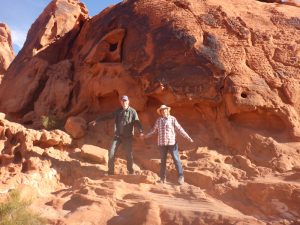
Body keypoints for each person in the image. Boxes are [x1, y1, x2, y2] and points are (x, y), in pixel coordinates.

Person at [89, 95, 143, 175]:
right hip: (117, 136)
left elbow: (137, 122)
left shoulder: (132, 111)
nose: (124, 102)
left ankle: (131, 172)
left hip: (127, 137)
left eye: (125, 101)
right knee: (111, 153)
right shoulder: (118, 111)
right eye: (123, 101)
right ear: (121, 102)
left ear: (128, 102)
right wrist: (97, 120)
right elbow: (108, 116)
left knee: (129, 155)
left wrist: (141, 131)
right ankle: (110, 172)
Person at [143, 105, 193, 185]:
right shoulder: (158, 120)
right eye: (162, 111)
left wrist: (188, 137)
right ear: (161, 112)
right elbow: (154, 131)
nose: (164, 112)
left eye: (165, 110)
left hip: (172, 143)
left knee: (176, 160)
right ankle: (162, 179)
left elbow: (179, 129)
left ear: (167, 111)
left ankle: (181, 177)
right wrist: (146, 136)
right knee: (163, 161)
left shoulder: (172, 119)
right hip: (162, 144)